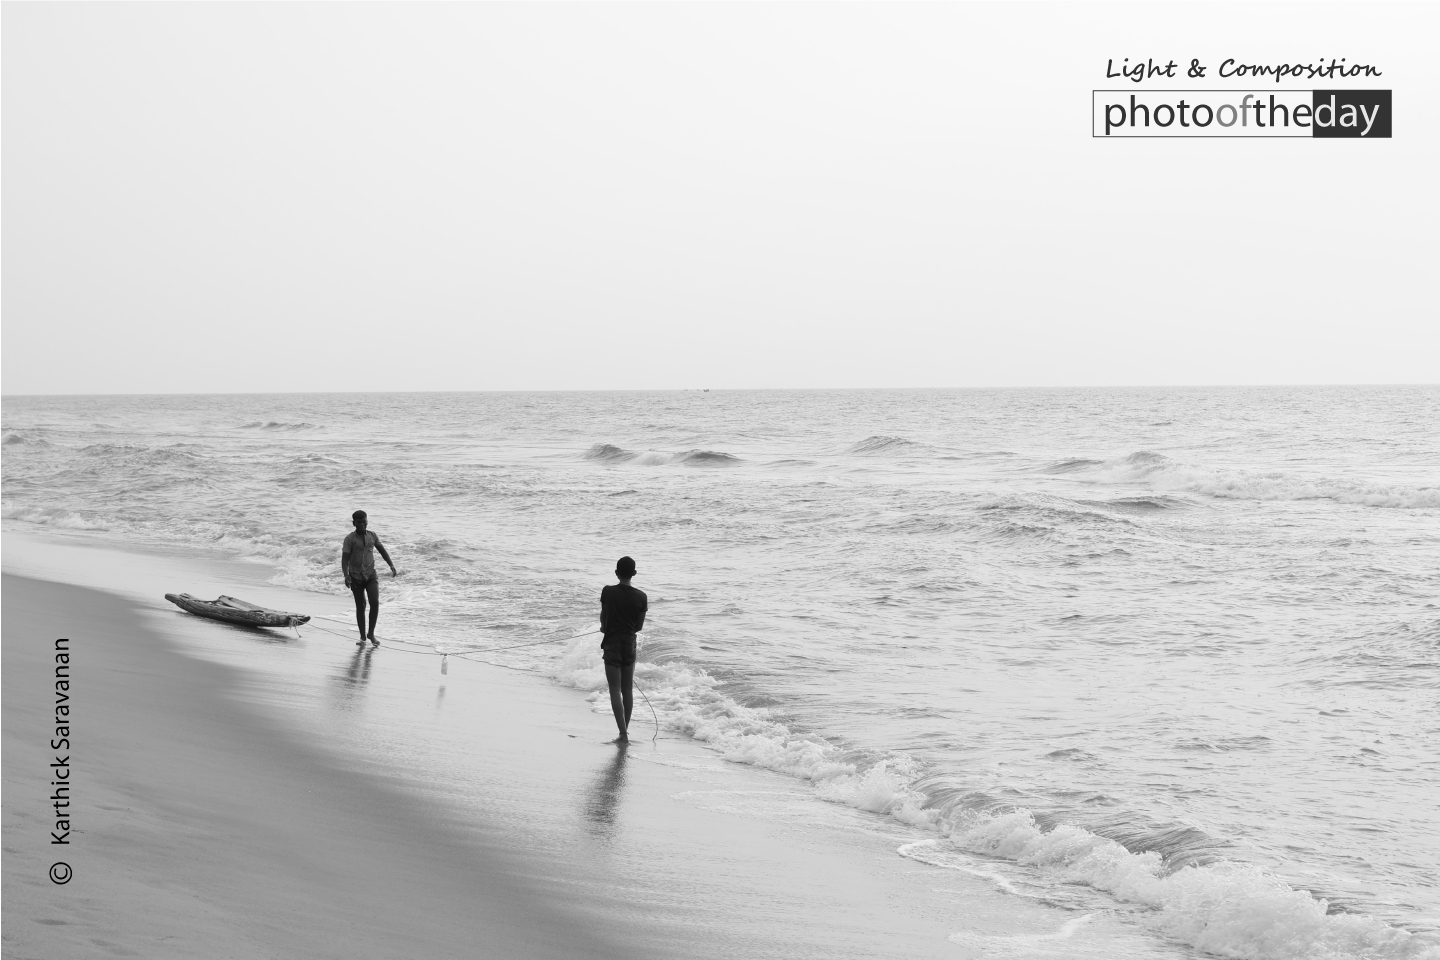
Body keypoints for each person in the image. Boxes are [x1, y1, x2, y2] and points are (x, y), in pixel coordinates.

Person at [599, 556, 647, 742]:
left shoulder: (608, 591)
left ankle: (623, 734)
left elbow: (604, 616)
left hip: (612, 642)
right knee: (627, 689)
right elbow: (639, 626)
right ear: (634, 573)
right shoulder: (641, 596)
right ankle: (624, 731)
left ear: (616, 573)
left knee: (614, 689)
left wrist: (605, 627)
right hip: (629, 643)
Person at [341, 510, 396, 645]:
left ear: (367, 521)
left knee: (375, 602)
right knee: (361, 606)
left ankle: (371, 633)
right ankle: (362, 637)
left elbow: (382, 550)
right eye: (359, 522)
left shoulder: (372, 536)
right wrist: (346, 575)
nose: (362, 524)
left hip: (371, 574)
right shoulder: (349, 539)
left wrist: (391, 565)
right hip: (355, 576)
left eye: (364, 521)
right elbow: (345, 559)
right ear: (354, 523)